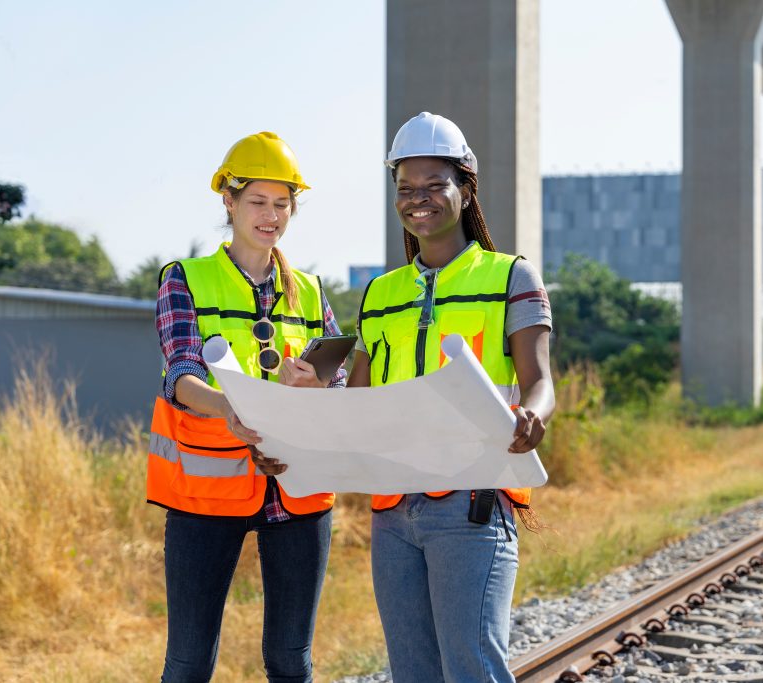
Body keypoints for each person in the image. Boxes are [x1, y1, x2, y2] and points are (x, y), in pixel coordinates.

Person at [347, 112, 556, 682]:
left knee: (472, 669)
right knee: (412, 673)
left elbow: (540, 381)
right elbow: (355, 403)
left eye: (433, 185)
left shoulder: (510, 276)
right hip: (394, 511)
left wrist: (533, 415)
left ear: (465, 189)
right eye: (405, 188)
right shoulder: (379, 294)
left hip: (473, 503)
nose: (418, 199)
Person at [147, 131, 342, 682]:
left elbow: (338, 372)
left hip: (298, 492)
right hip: (207, 493)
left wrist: (321, 381)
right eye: (257, 201)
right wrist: (226, 409)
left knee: (290, 661)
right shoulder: (184, 280)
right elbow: (181, 372)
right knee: (188, 663)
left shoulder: (309, 287)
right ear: (228, 202)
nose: (271, 215)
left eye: (282, 204)